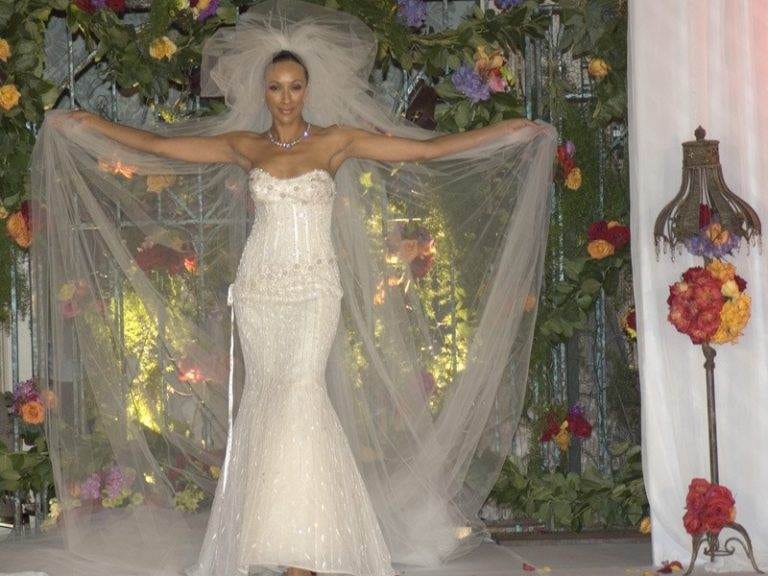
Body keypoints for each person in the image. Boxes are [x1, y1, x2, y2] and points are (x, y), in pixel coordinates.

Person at [21, 1, 556, 575]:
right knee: (267, 404)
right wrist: (92, 124)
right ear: (264, 91)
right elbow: (160, 148)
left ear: (307, 89)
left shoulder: (336, 142)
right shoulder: (244, 146)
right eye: (275, 87)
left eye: (294, 86)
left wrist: (506, 132)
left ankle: (309, 550)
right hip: (258, 292)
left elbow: (424, 150)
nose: (284, 97)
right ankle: (270, 542)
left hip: (312, 293)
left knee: (303, 394)